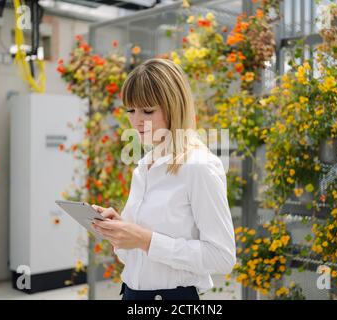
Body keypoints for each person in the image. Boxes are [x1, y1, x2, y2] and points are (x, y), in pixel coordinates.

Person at [91, 58, 236, 300]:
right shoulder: (144, 167)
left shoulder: (199, 166)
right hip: (131, 295)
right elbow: (134, 256)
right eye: (131, 110)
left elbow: (222, 257)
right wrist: (121, 230)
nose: (136, 121)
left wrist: (145, 240)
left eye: (147, 111)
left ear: (174, 107)